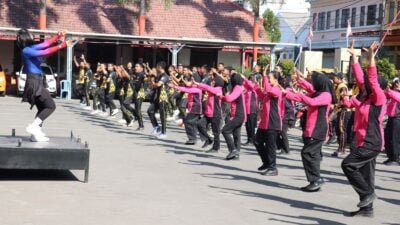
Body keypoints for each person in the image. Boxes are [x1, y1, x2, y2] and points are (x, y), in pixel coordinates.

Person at [341, 41, 388, 217]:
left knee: (347, 165)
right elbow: (362, 78)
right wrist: (354, 57)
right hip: (362, 141)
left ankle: (368, 195)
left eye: (368, 84)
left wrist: (370, 57)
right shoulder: (366, 98)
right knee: (366, 176)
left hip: (371, 142)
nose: (364, 84)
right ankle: (367, 209)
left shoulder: (379, 98)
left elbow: (372, 79)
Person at [284, 69, 335, 192]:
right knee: (314, 155)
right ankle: (315, 180)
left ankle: (316, 179)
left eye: (314, 80)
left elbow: (311, 102)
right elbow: (308, 88)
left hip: (318, 129)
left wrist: (298, 94)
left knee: (307, 153)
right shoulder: (318, 92)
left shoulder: (325, 95)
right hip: (312, 128)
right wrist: (295, 84)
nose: (312, 83)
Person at [17, 28, 70, 142]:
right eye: (31, 35)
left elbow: (45, 44)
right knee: (51, 106)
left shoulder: (30, 48)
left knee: (42, 108)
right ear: (26, 37)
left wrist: (58, 36)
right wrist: (61, 46)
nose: (32, 36)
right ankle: (33, 127)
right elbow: (44, 52)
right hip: (34, 82)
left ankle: (35, 135)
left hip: (37, 81)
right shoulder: (26, 50)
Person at [245, 71, 283, 176]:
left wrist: (264, 77)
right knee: (257, 142)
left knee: (271, 146)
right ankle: (266, 162)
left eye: (269, 78)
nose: (267, 79)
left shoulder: (276, 90)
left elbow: (269, 91)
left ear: (275, 80)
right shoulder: (269, 91)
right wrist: (250, 82)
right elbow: (260, 93)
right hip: (264, 122)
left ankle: (273, 168)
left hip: (273, 122)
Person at [195, 75, 224, 152]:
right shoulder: (212, 89)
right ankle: (209, 139)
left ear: (218, 82)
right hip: (208, 114)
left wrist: (198, 83)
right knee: (199, 124)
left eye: (214, 81)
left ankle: (216, 148)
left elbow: (208, 88)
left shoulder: (218, 89)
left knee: (216, 132)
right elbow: (204, 88)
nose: (212, 82)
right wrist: (195, 84)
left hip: (216, 114)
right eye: (212, 81)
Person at [220, 73, 246, 160]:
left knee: (225, 130)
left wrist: (225, 95)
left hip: (238, 114)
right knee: (236, 134)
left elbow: (230, 98)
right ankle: (236, 154)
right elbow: (229, 98)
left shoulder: (238, 88)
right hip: (238, 114)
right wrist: (221, 97)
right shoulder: (237, 87)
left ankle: (233, 150)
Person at [169, 79, 202, 145]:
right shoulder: (193, 88)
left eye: (191, 81)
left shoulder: (197, 89)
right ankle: (193, 139)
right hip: (192, 108)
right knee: (192, 123)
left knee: (188, 122)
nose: (188, 82)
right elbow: (185, 88)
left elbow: (187, 90)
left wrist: (175, 86)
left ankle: (193, 139)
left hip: (196, 108)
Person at [148, 61, 169, 139]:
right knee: (150, 111)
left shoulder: (165, 76)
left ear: (160, 67)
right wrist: (152, 80)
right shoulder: (159, 76)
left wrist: (153, 83)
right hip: (157, 97)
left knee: (162, 115)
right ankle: (156, 127)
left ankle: (164, 133)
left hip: (163, 98)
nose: (156, 68)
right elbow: (152, 86)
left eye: (157, 66)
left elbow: (158, 84)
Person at [384, 77, 400, 166]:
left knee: (395, 139)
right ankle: (390, 157)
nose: (396, 84)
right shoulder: (394, 92)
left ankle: (395, 158)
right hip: (391, 117)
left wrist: (389, 90)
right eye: (396, 83)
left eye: (398, 83)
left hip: (397, 118)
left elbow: (394, 95)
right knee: (388, 137)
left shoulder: (396, 93)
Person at [133, 63, 146, 130]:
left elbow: (145, 79)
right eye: (135, 66)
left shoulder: (142, 74)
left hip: (140, 94)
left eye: (137, 66)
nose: (135, 67)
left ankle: (141, 125)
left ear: (141, 68)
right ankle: (135, 117)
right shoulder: (136, 74)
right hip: (135, 93)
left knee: (138, 109)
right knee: (136, 109)